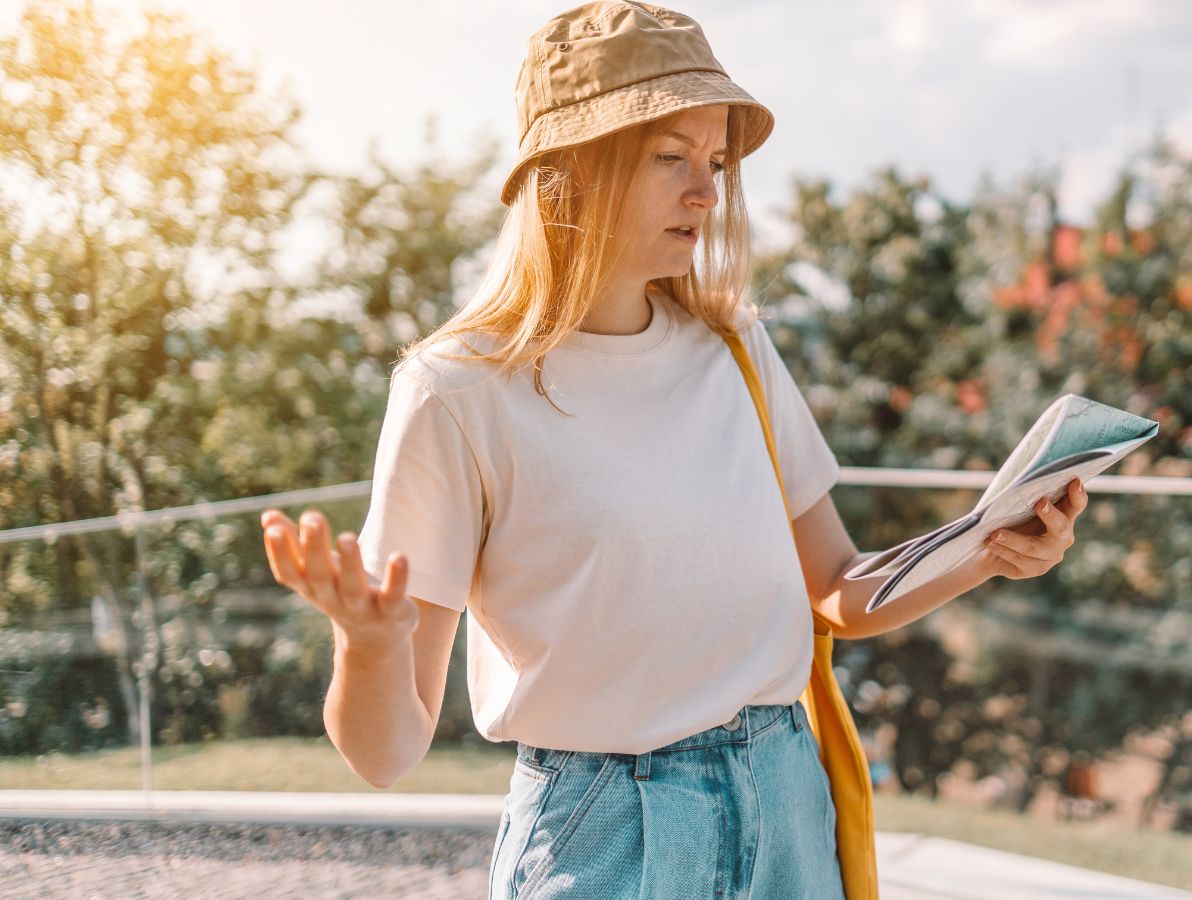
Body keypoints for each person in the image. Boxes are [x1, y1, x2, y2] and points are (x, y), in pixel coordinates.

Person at [257, 3, 1090, 898]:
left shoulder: (734, 348)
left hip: (787, 811)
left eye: (717, 162)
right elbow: (385, 756)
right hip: (609, 835)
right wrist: (369, 645)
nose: (707, 191)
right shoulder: (455, 390)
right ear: (568, 171)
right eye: (671, 157)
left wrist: (989, 551)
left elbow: (837, 590)